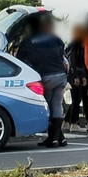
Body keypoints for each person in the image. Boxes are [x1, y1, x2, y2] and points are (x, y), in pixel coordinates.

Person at [16, 14, 68, 148]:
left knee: (48, 107)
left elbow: (19, 61)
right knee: (57, 105)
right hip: (61, 75)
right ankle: (58, 139)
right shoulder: (55, 38)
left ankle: (54, 138)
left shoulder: (28, 41)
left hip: (45, 76)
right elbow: (62, 53)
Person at [64, 25, 88, 133]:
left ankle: (66, 121)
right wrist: (77, 76)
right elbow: (74, 61)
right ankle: (73, 123)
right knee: (77, 99)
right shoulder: (76, 45)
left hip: (77, 73)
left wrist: (82, 75)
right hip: (74, 74)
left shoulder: (75, 45)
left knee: (77, 99)